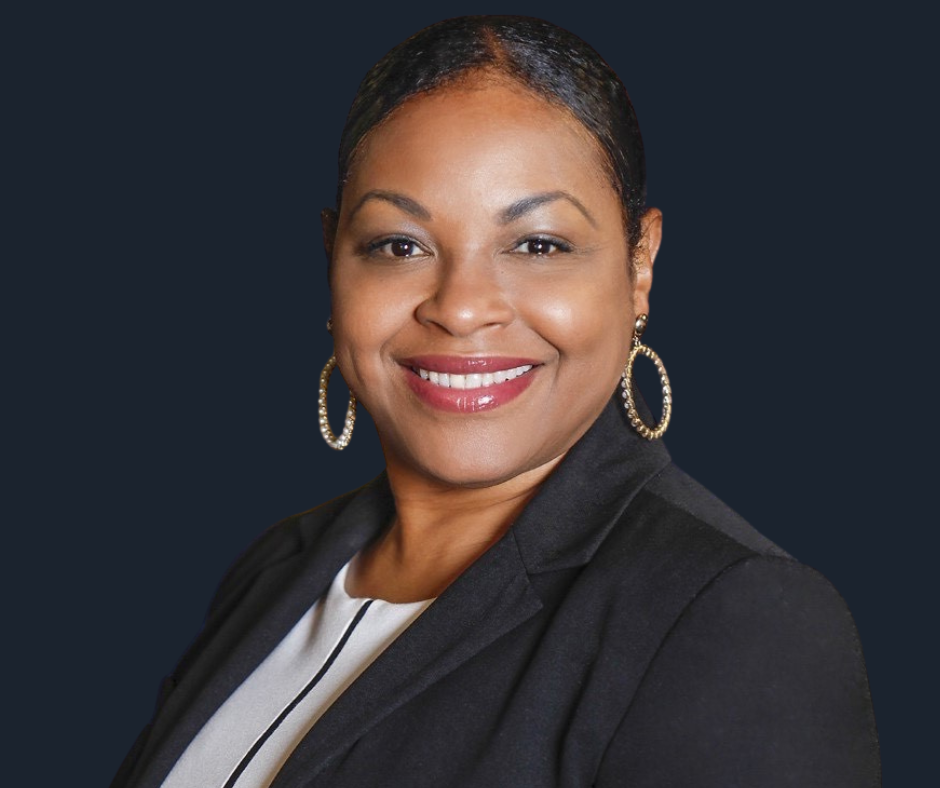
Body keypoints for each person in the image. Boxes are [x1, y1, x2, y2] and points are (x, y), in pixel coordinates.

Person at [111, 15, 880, 788]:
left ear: (638, 266)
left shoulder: (733, 618)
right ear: (334, 263)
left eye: (538, 245)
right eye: (398, 245)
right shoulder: (277, 568)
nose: (461, 306)